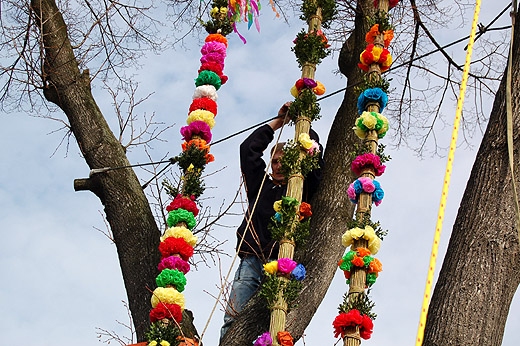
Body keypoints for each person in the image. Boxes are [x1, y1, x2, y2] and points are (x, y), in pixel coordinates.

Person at [219, 102, 324, 341]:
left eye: (284, 161)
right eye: (275, 161)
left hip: (285, 261)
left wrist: (302, 123)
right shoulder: (261, 187)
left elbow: (316, 159)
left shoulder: (301, 187)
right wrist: (279, 122)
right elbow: (248, 150)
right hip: (253, 260)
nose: (278, 165)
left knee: (274, 325)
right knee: (233, 319)